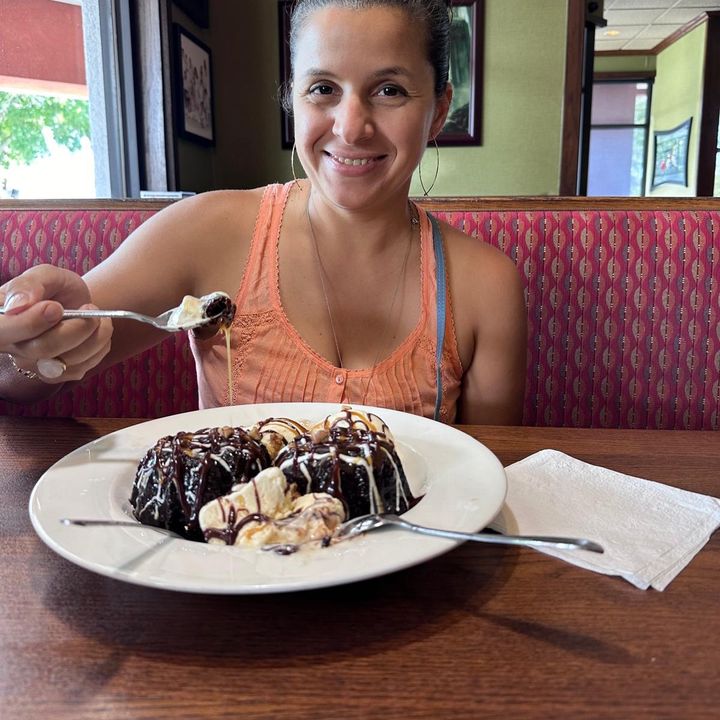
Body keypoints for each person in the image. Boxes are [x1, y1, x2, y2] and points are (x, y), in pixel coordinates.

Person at [0, 0, 526, 425]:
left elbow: (485, 477)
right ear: (293, 98)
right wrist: (33, 346)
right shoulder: (206, 231)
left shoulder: (486, 285)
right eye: (323, 89)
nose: (350, 127)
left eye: (389, 90)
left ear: (437, 111)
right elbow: (21, 375)